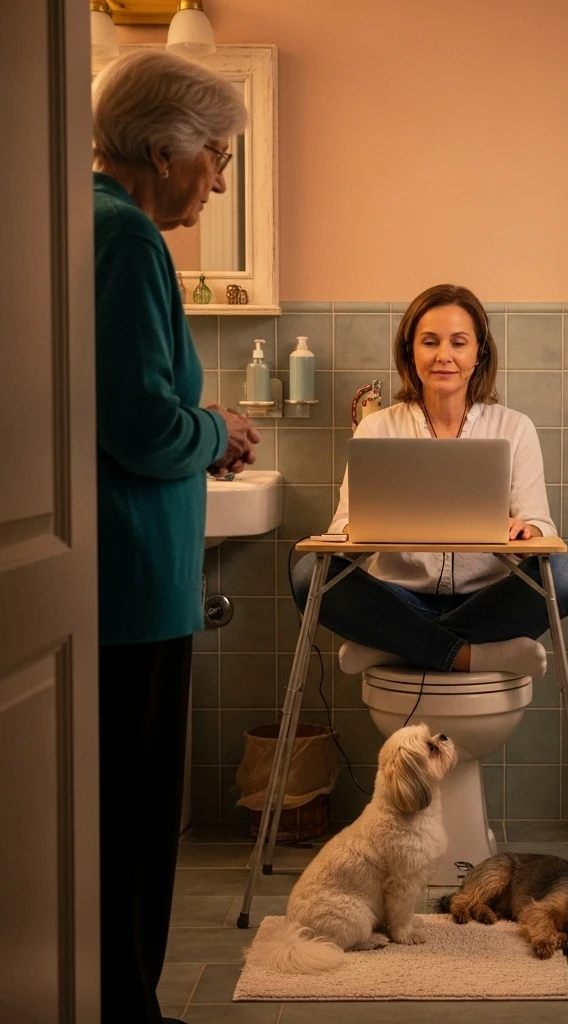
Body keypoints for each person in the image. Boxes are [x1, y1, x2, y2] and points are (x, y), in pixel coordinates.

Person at [92, 50, 261, 1024]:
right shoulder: (128, 238)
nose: (220, 178)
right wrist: (219, 430)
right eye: (217, 154)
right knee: (136, 823)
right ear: (165, 149)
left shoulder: (82, 220)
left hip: (114, 584)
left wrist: (193, 428)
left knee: (114, 821)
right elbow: (143, 424)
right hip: (134, 582)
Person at [291, 283, 568, 677]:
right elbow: (341, 530)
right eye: (430, 342)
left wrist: (526, 530)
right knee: (309, 574)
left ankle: (397, 646)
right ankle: (467, 654)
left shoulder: (514, 428)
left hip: (486, 601)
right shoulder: (377, 428)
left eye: (458, 343)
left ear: (479, 354)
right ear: (410, 352)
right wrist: (360, 529)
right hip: (400, 598)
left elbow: (542, 528)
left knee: (565, 577)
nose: (444, 356)